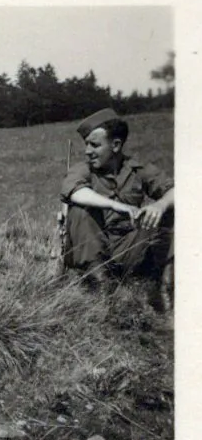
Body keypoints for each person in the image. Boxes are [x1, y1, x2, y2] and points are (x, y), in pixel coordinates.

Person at [59, 108, 174, 309]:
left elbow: (179, 191)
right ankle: (100, 285)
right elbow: (76, 193)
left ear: (116, 145)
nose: (87, 151)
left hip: (128, 247)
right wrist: (118, 206)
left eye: (94, 145)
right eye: (86, 144)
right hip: (92, 248)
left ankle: (162, 285)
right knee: (79, 209)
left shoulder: (138, 170)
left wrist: (159, 204)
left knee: (171, 212)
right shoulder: (82, 169)